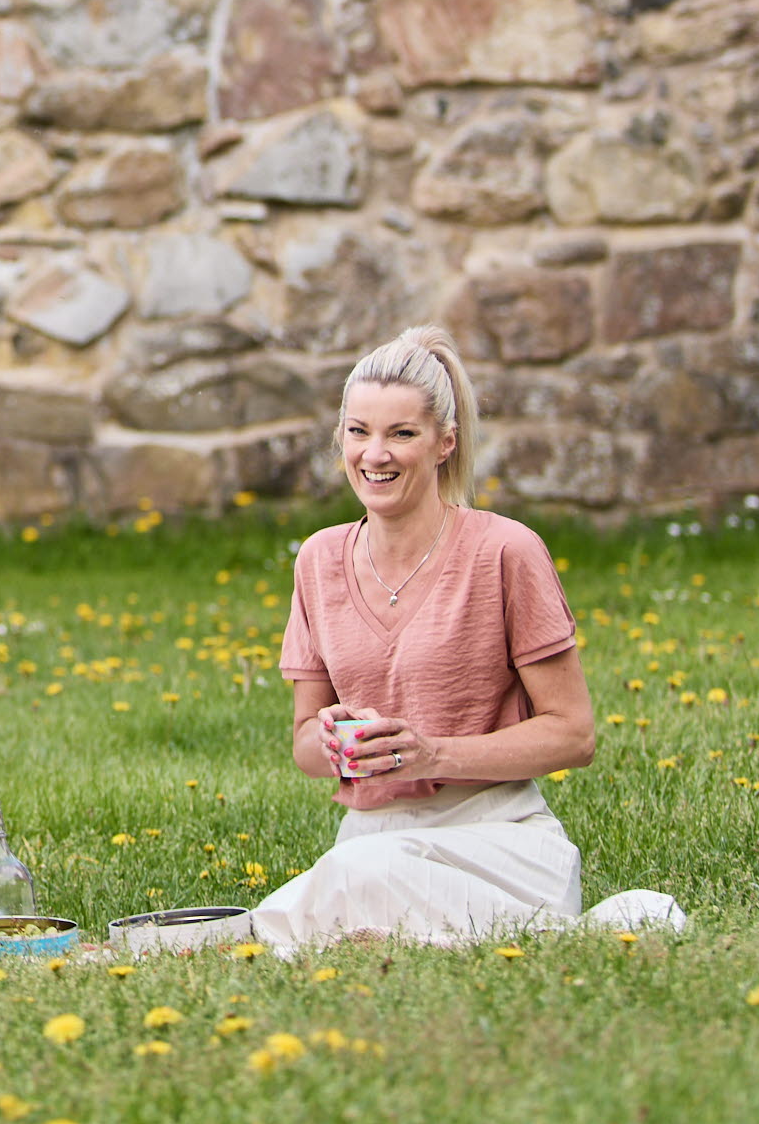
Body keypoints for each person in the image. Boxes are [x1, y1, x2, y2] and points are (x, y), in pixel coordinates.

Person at [249, 325, 599, 953]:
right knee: (359, 877)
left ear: (444, 444)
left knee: (340, 896)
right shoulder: (319, 560)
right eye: (358, 432)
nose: (374, 455)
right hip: (370, 840)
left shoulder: (505, 551)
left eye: (400, 434)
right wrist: (331, 740)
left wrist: (434, 755)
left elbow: (574, 734)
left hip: (497, 838)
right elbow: (304, 743)